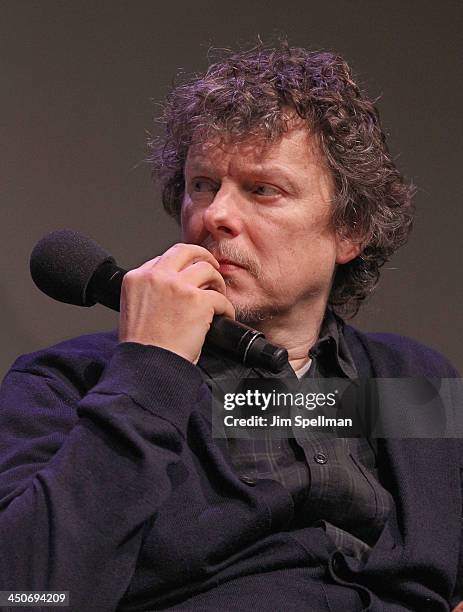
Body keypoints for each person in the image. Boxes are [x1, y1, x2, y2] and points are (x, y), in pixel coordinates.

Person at [0, 42, 461, 612]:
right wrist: (149, 370)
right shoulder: (68, 385)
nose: (214, 215)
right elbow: (28, 593)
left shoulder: (409, 379)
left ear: (351, 230)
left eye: (263, 189)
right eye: (202, 185)